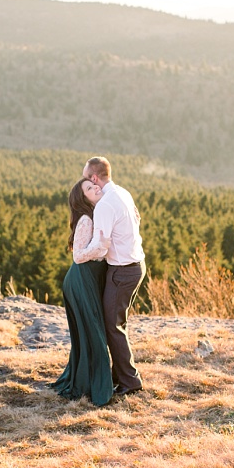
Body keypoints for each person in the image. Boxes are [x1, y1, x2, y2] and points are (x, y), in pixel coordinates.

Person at [82, 156, 146, 396]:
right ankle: (122, 376)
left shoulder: (105, 205)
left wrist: (80, 255)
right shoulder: (123, 192)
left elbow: (100, 246)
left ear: (95, 179)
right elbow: (137, 219)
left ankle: (131, 381)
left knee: (112, 326)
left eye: (86, 179)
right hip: (136, 264)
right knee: (118, 324)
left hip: (122, 270)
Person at [51, 178, 114, 406]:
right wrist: (101, 246)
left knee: (90, 333)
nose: (95, 188)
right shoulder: (86, 219)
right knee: (93, 333)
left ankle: (86, 382)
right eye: (89, 188)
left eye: (94, 185)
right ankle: (94, 388)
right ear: (82, 198)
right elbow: (78, 256)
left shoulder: (98, 213)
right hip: (81, 279)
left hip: (88, 279)